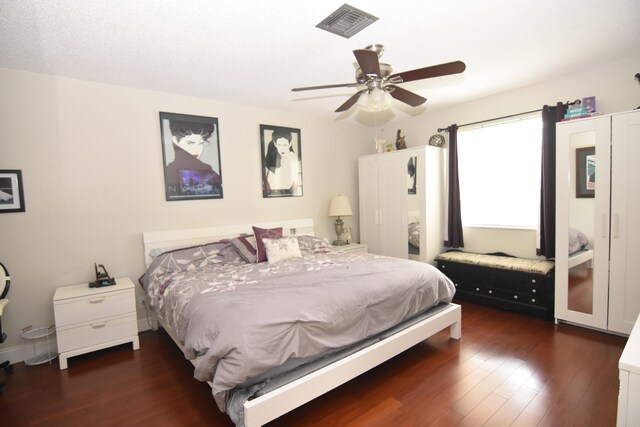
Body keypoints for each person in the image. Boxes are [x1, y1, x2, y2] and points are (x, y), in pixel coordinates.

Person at [164, 119, 222, 197]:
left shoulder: (209, 171)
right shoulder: (170, 172)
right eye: (190, 143)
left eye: (201, 143)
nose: (196, 149)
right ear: (175, 140)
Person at [264, 129, 300, 194]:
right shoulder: (273, 156)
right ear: (275, 144)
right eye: (279, 145)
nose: (282, 149)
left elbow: (285, 184)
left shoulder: (292, 157)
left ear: (289, 144)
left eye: (285, 145)